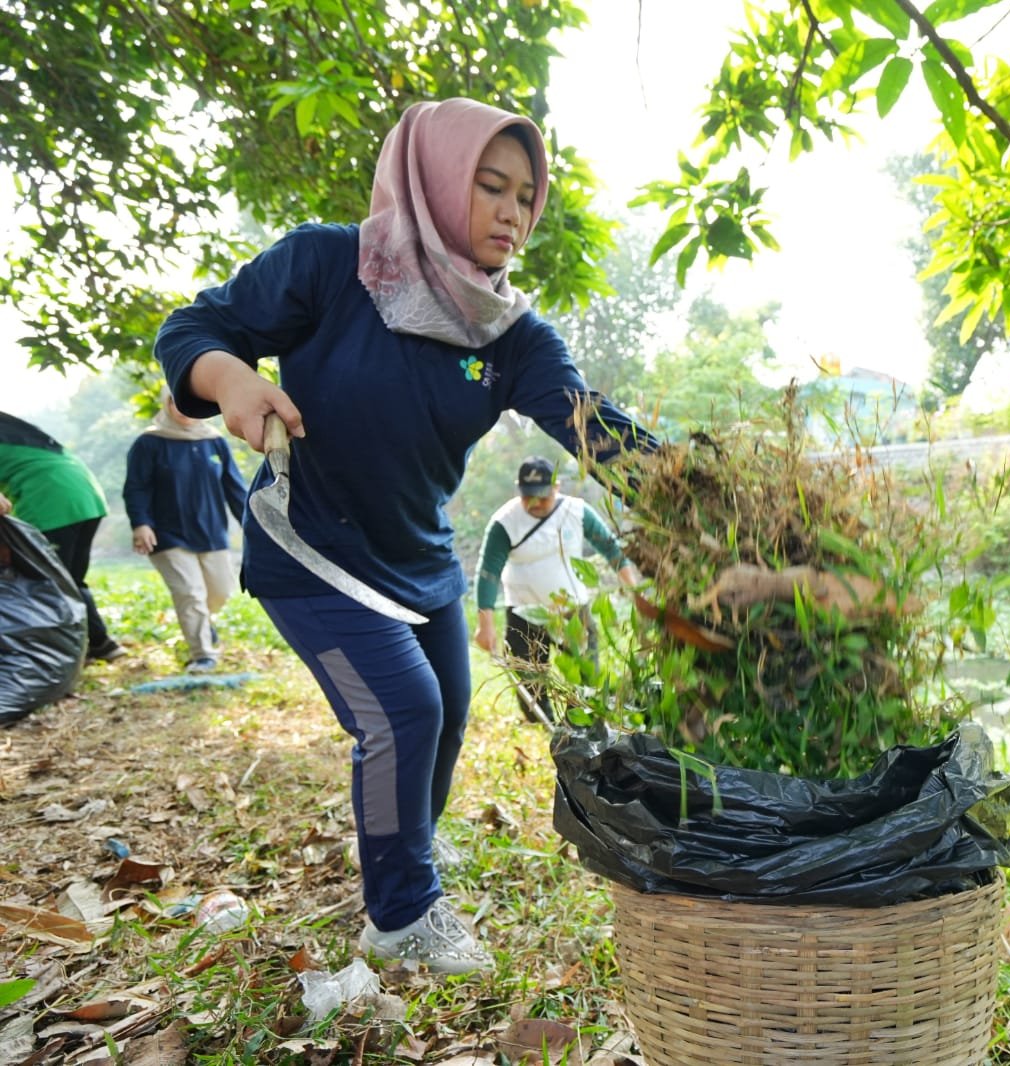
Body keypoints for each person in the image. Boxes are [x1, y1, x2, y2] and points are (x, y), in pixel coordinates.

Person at [153, 98, 656, 975]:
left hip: (419, 557)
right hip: (311, 550)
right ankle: (401, 915)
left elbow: (594, 427)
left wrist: (703, 494)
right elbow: (193, 328)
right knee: (402, 714)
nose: (511, 212)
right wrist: (229, 376)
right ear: (430, 181)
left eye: (526, 197)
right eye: (489, 186)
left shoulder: (513, 335)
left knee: (450, 713)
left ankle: (407, 843)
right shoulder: (327, 265)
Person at [473, 456, 641, 722]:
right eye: (530, 497)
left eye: (543, 496)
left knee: (586, 678)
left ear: (557, 488)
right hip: (524, 615)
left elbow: (612, 550)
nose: (536, 503)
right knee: (531, 683)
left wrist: (636, 593)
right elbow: (488, 574)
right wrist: (486, 625)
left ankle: (581, 729)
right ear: (520, 491)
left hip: (572, 611)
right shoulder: (505, 522)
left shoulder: (576, 511)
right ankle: (544, 727)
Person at [123, 389, 249, 673]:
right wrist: (140, 522)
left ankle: (202, 626)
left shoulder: (214, 442)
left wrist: (251, 524)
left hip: (211, 532)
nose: (182, 409)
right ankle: (202, 654)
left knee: (221, 592)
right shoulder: (150, 442)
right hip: (166, 534)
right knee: (190, 594)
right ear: (167, 404)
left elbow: (235, 488)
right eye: (175, 402)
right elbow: (137, 486)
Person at [0, 412, 126, 662]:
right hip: (85, 494)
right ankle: (101, 644)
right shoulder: (13, 430)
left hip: (53, 501)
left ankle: (60, 652)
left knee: (47, 582)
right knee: (69, 579)